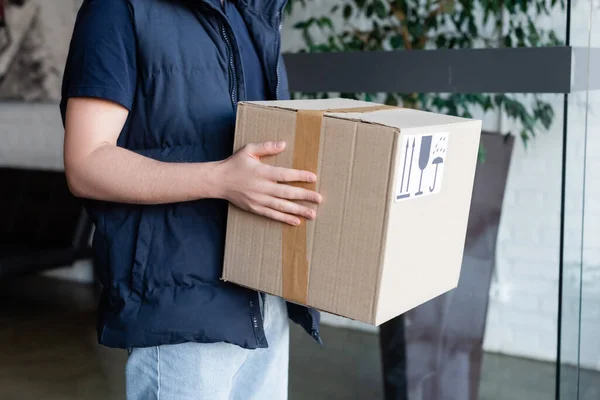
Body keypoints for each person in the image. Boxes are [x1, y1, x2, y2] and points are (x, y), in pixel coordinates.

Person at [60, 0, 323, 399]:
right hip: (179, 301)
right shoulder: (118, 8)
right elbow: (86, 162)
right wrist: (221, 179)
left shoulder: (253, 13)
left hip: (265, 295)